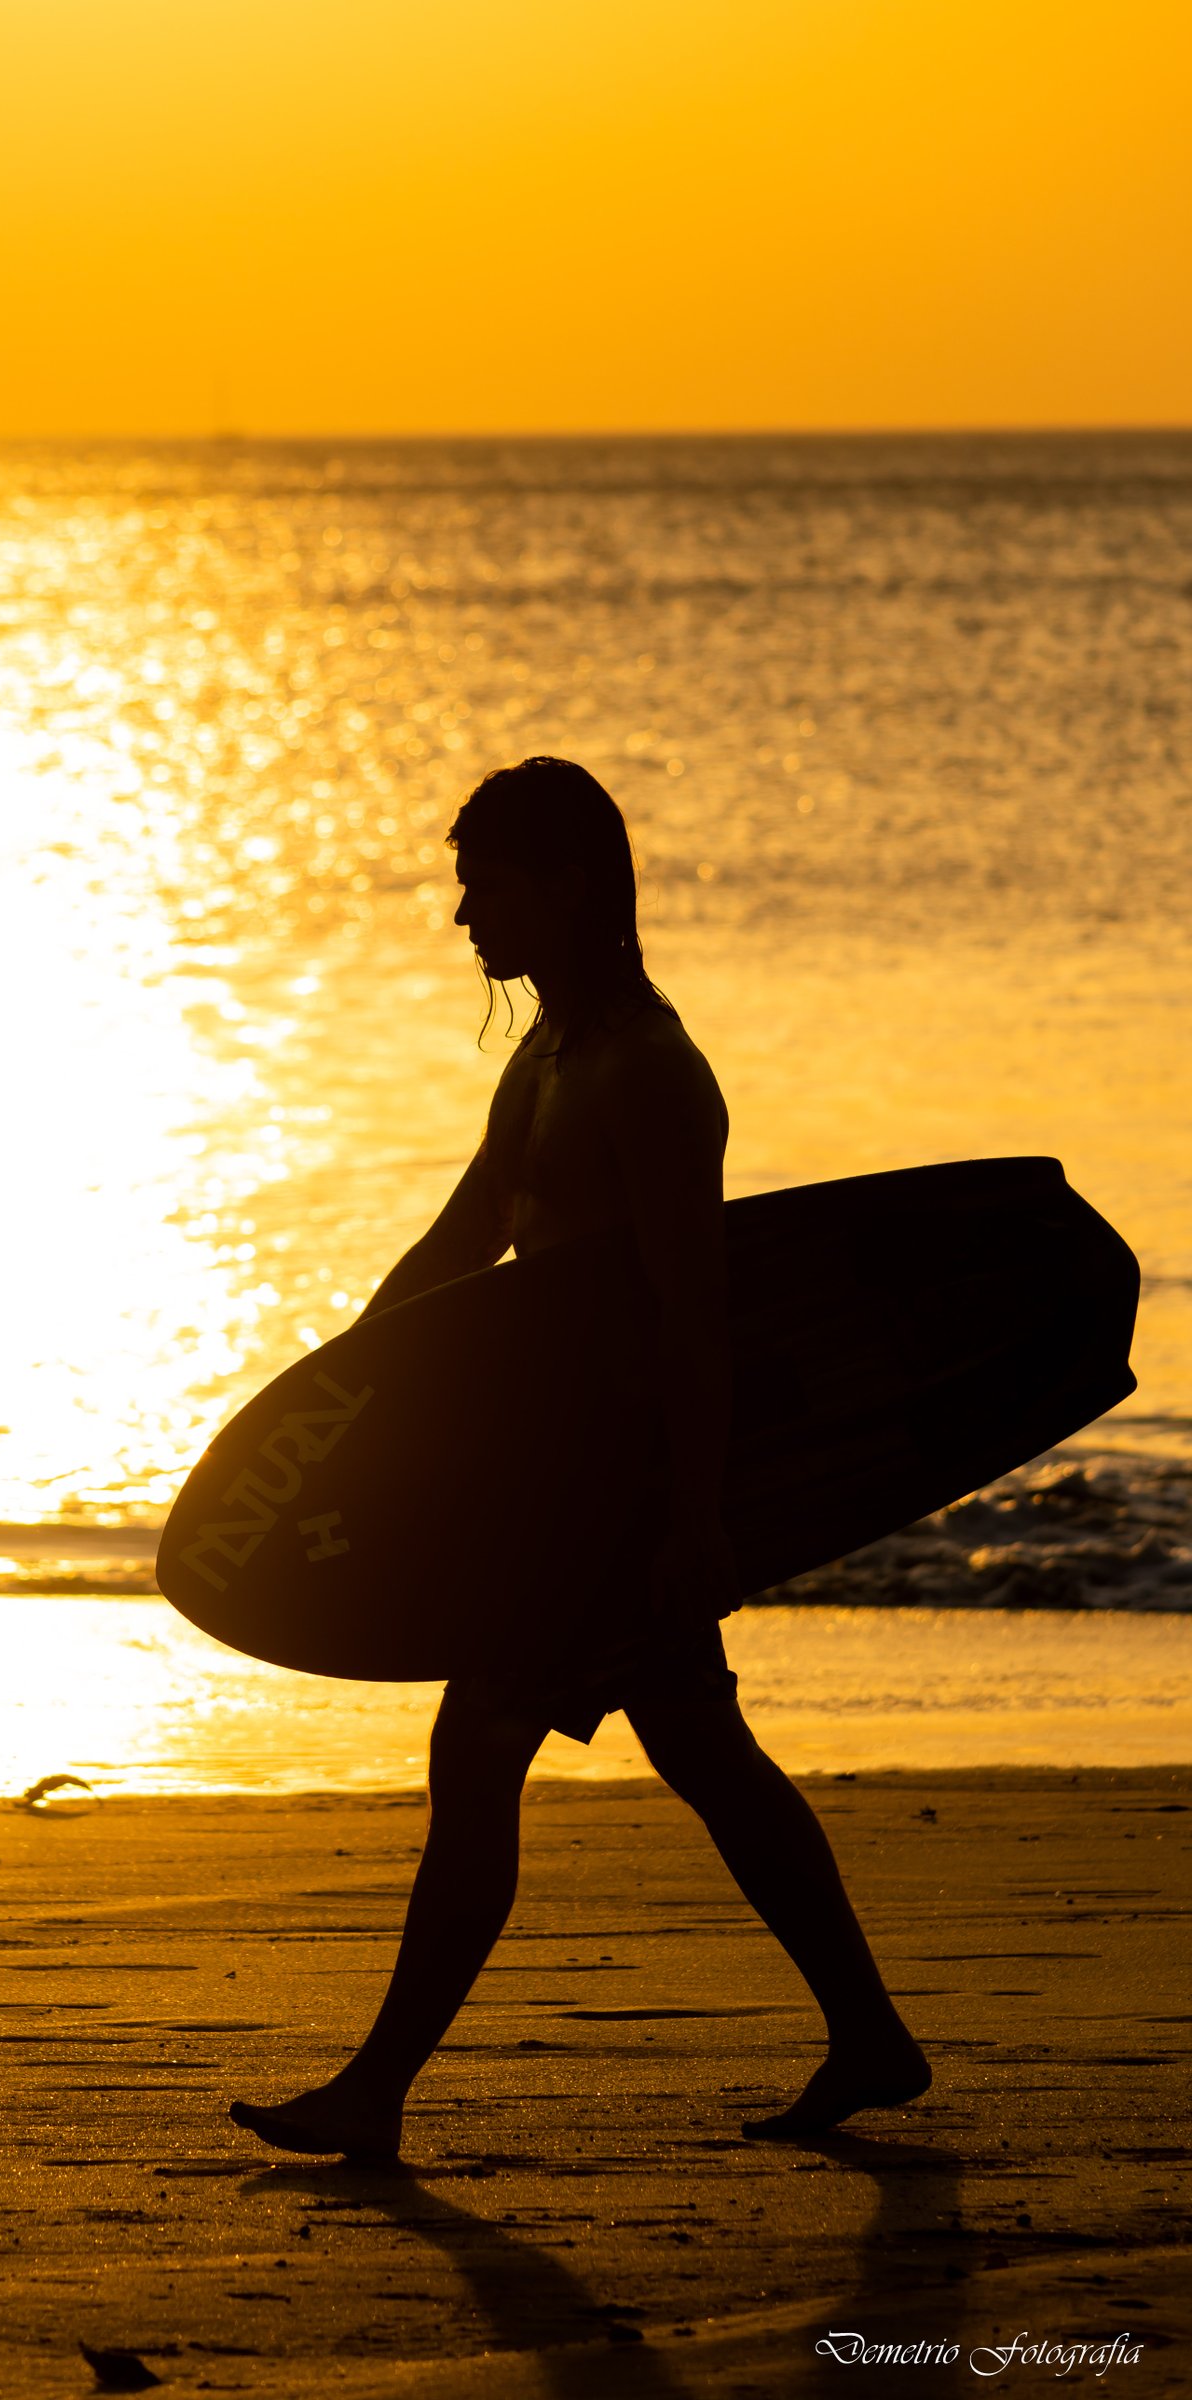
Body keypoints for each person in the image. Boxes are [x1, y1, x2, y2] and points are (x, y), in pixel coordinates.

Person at [229, 757, 928, 2160]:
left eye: (484, 881)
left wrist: (693, 1521)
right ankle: (870, 2034)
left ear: (566, 885)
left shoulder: (653, 1076)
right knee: (702, 1747)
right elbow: (463, 1242)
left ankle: (377, 2094)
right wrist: (339, 1390)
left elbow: (695, 1316)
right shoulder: (549, 1061)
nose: (463, 913)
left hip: (615, 1498)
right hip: (564, 1482)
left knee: (481, 1745)